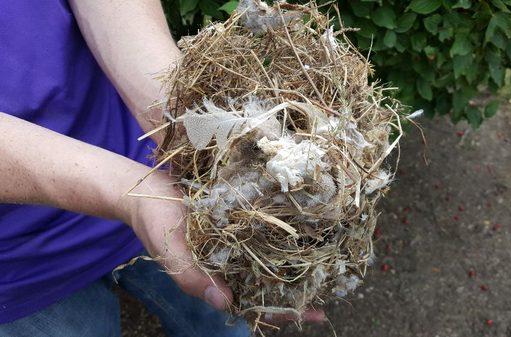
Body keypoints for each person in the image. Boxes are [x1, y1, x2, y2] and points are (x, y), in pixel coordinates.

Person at [0, 1, 323, 336]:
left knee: (222, 325)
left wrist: (178, 112)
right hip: (19, 268)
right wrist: (131, 192)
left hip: (160, 175)